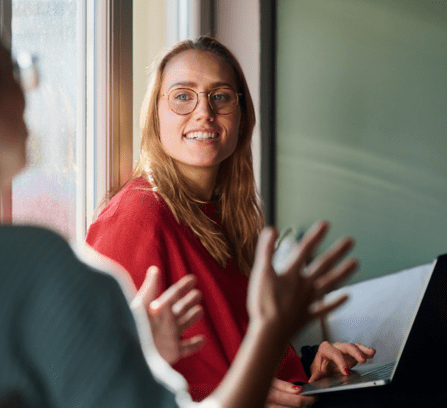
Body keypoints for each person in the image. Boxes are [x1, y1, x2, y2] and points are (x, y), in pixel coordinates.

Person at [0, 2, 357, 408]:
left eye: (220, 97)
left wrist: (299, 354)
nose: (204, 112)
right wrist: (268, 333)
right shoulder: (47, 262)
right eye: (19, 74)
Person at [86, 36, 375, 406]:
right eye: (182, 95)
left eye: (220, 96)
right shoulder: (137, 216)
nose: (204, 111)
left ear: (241, 117)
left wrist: (307, 363)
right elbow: (103, 383)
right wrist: (248, 393)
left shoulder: (230, 220)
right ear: (155, 115)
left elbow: (233, 349)